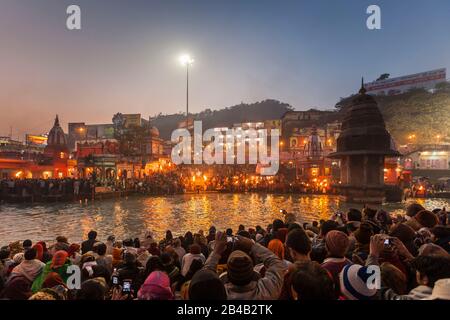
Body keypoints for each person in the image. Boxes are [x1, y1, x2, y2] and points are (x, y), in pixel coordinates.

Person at [204, 231, 286, 300]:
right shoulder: (266, 292)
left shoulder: (218, 294)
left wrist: (216, 250)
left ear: (227, 277)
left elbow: (204, 276)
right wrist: (253, 245)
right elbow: (276, 263)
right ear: (254, 274)